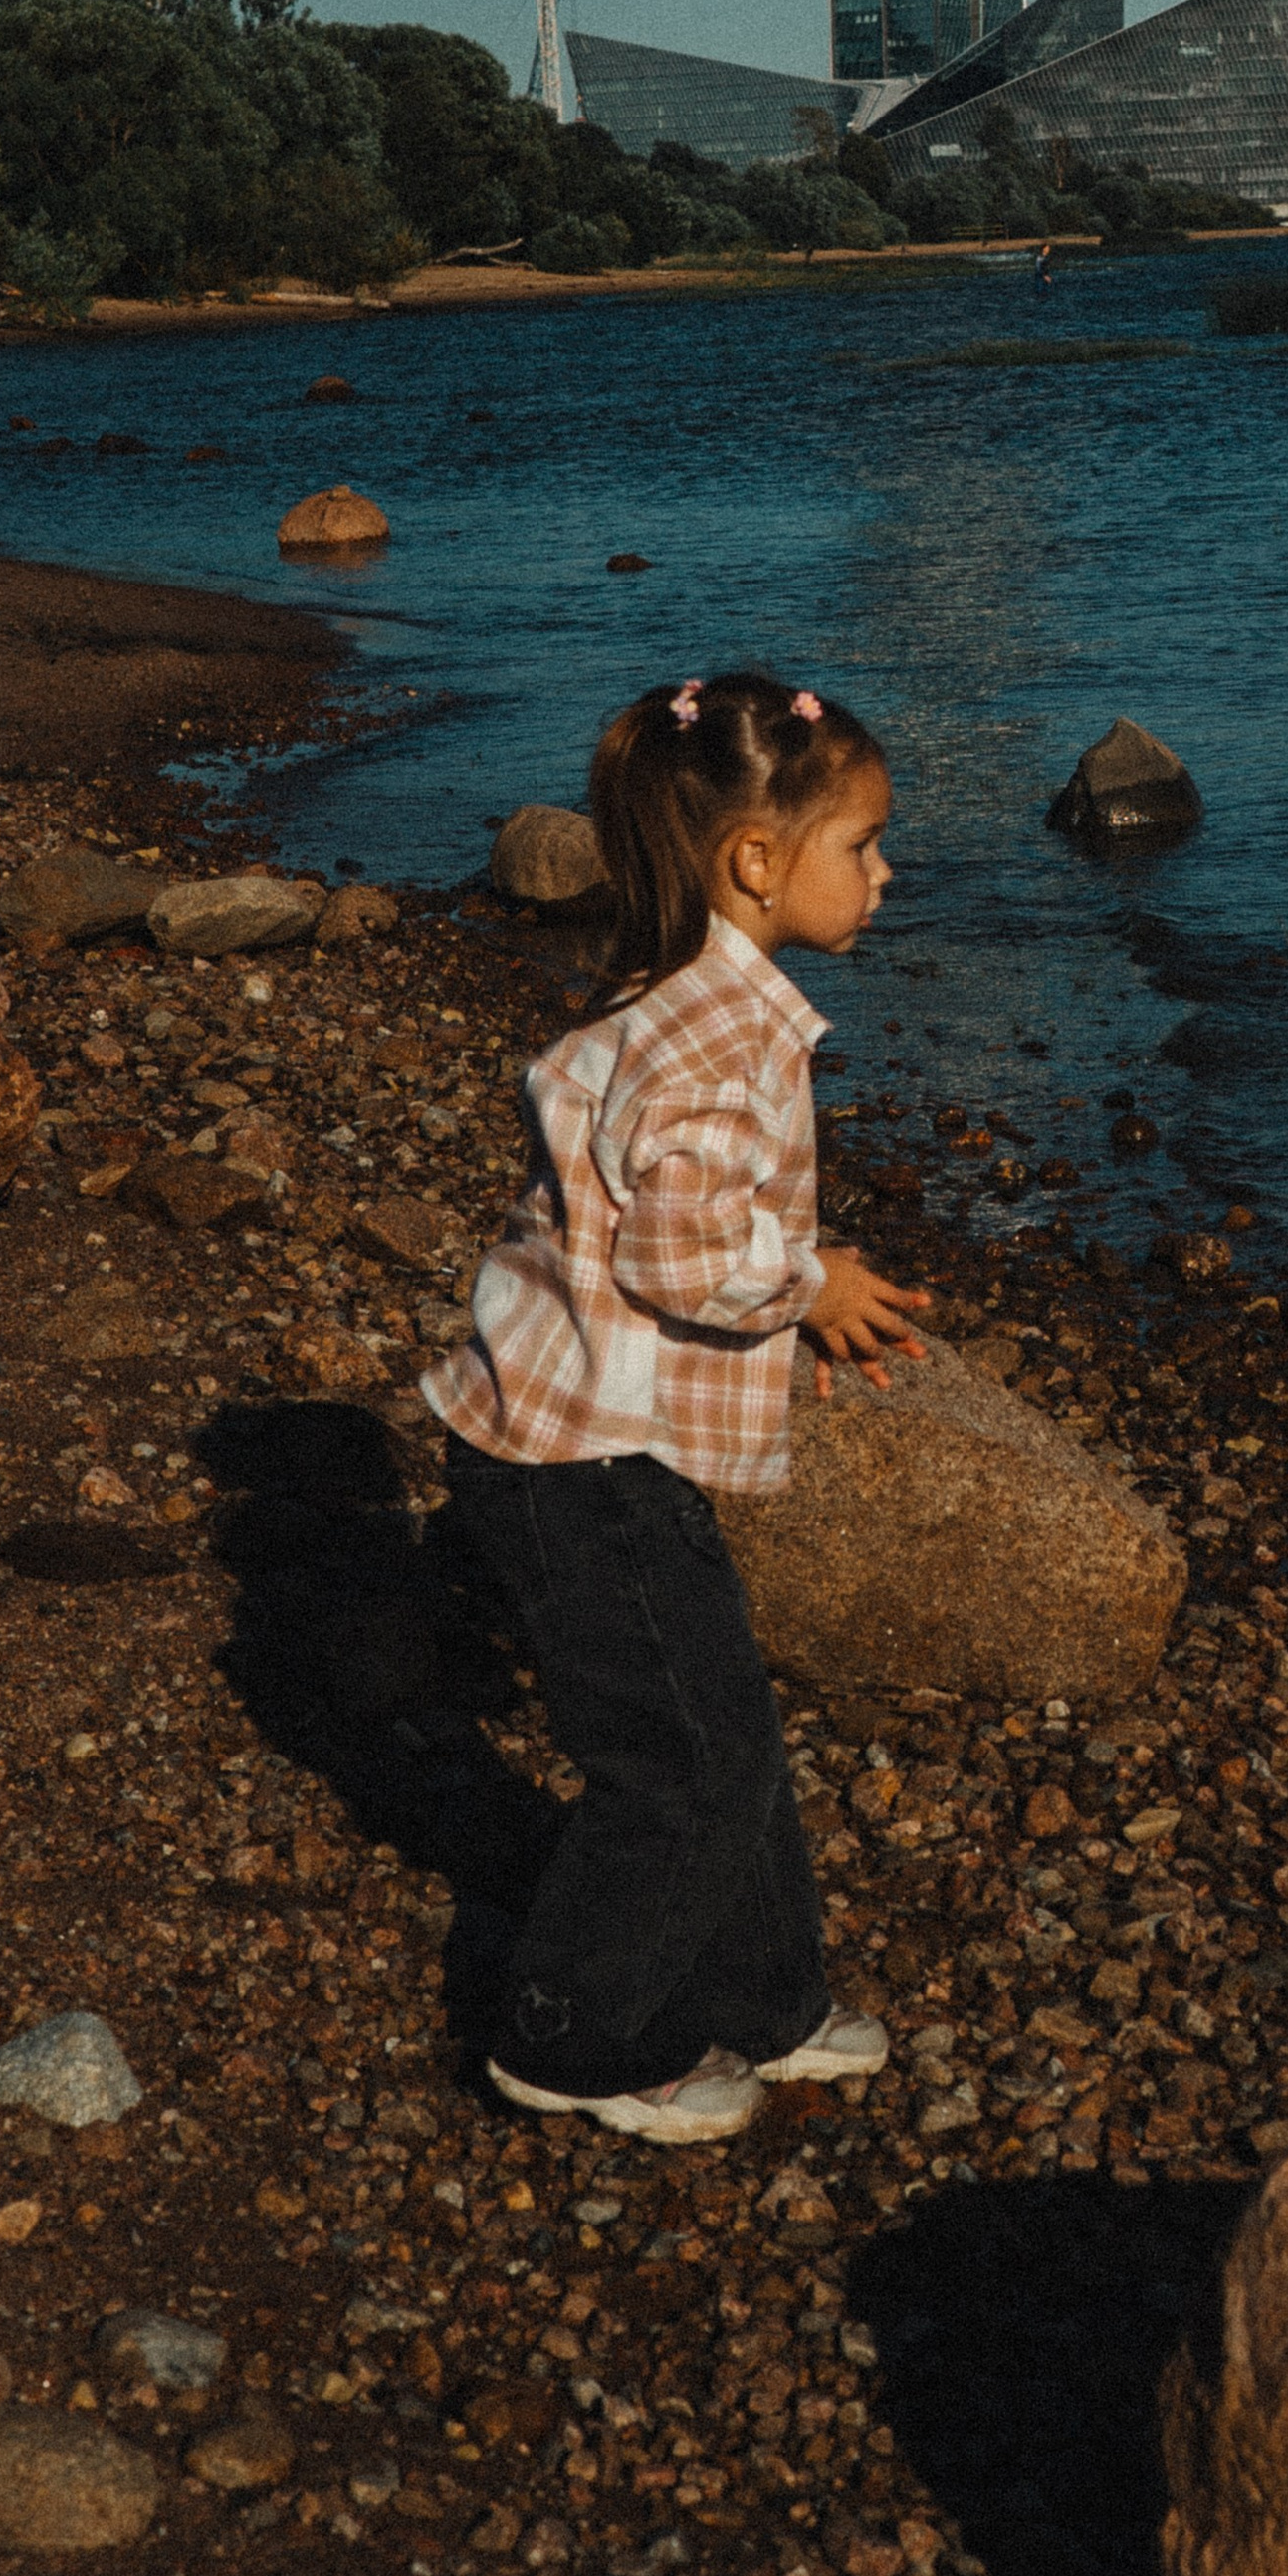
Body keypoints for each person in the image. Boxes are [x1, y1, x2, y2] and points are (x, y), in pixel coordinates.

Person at [421, 670, 930, 2144]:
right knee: (686, 1764)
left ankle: (767, 2002)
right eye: (866, 844)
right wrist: (809, 1284)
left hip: (578, 1437)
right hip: (578, 1460)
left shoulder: (661, 997)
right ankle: (570, 2034)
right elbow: (684, 1249)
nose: (886, 875)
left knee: (727, 1733)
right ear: (757, 861)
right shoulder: (723, 1040)